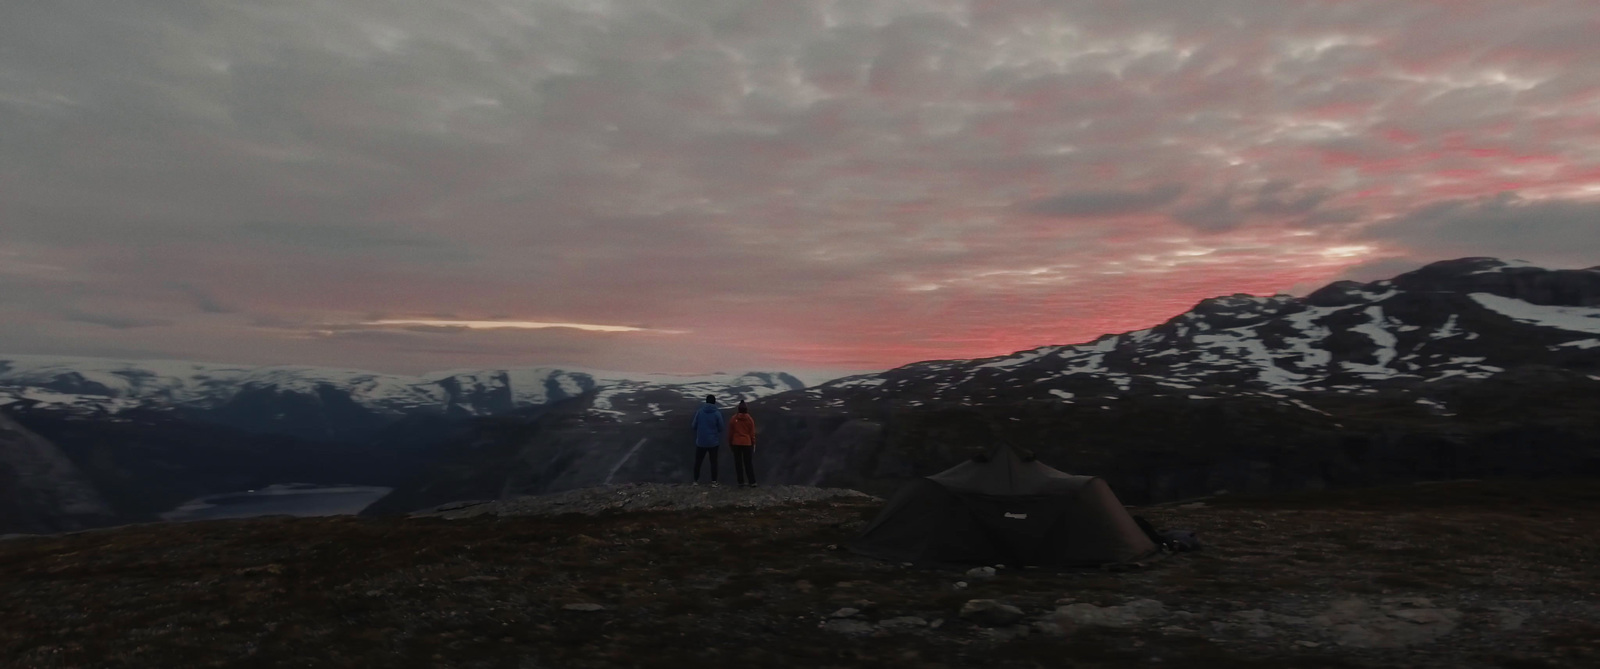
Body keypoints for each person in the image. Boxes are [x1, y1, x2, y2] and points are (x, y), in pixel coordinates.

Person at [689, 394, 725, 486]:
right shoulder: (717, 413)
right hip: (713, 442)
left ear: (706, 401)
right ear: (714, 402)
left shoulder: (700, 412)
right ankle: (714, 482)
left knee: (698, 462)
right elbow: (721, 428)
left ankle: (695, 481)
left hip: (701, 442)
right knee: (713, 462)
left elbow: (693, 426)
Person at [728, 399, 757, 487]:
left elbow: (730, 433)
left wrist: (730, 442)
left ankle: (740, 482)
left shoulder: (733, 419)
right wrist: (753, 443)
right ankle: (752, 482)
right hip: (747, 443)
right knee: (748, 463)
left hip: (736, 443)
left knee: (738, 463)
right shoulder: (749, 419)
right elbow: (752, 433)